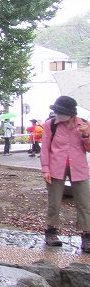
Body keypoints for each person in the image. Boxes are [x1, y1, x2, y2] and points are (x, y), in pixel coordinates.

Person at [39, 95, 90, 251]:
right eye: (57, 112)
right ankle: (51, 231)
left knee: (85, 202)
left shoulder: (84, 124)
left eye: (61, 112)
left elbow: (89, 148)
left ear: (71, 114)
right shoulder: (51, 125)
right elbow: (45, 148)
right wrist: (45, 169)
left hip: (79, 167)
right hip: (56, 167)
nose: (58, 115)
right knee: (54, 201)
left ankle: (86, 235)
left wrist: (86, 134)